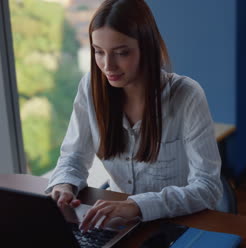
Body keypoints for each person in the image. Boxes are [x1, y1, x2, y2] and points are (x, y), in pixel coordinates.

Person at [45, 0, 222, 232]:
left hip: (177, 224)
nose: (108, 66)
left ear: (146, 48)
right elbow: (74, 156)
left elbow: (208, 187)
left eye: (122, 53)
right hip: (117, 223)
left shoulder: (186, 96)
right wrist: (64, 185)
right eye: (98, 52)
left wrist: (137, 206)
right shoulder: (90, 88)